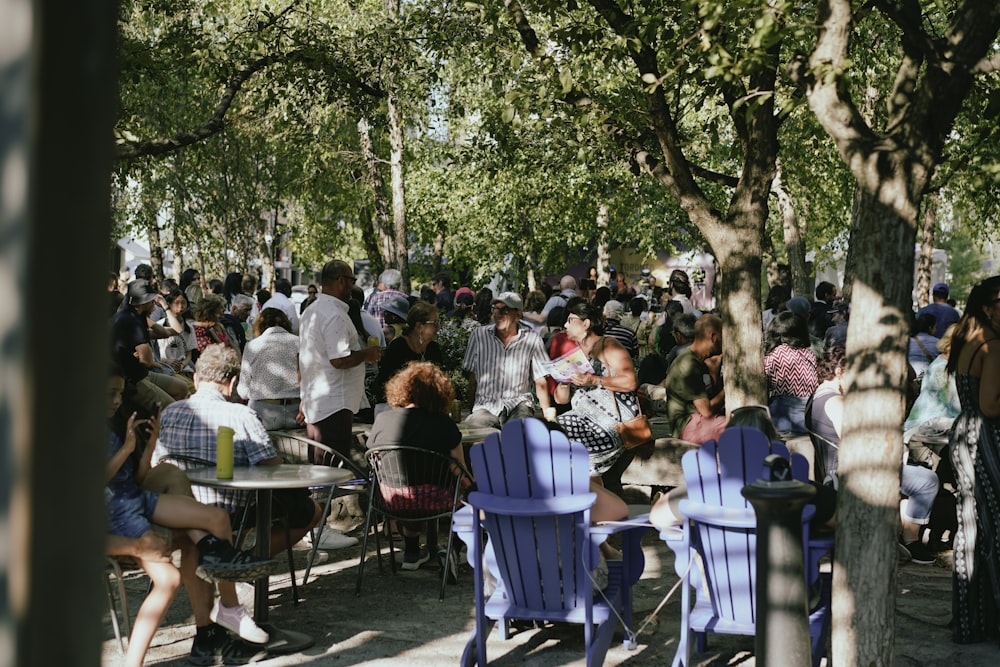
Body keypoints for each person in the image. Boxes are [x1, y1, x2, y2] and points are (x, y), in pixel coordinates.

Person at [106, 368, 276, 666]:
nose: (117, 400)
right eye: (111, 393)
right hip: (118, 513)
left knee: (216, 519)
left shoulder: (114, 424)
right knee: (177, 568)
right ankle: (215, 622)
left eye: (120, 393)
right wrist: (128, 450)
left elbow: (137, 477)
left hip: (136, 498)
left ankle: (226, 611)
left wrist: (147, 448)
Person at [153, 344, 324, 557]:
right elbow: (272, 468)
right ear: (232, 383)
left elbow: (158, 463)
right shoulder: (241, 416)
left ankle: (234, 558)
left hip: (181, 508)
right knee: (309, 510)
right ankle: (249, 560)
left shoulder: (170, 413)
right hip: (229, 511)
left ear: (196, 380)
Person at [808, 345, 939, 565]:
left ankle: (902, 534)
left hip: (839, 469)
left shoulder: (816, 396)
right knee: (927, 481)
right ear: (840, 371)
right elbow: (854, 442)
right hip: (854, 472)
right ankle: (911, 541)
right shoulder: (836, 402)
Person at [366, 362, 472, 570]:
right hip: (435, 500)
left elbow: (373, 456)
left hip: (390, 500)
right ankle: (452, 549)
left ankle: (412, 552)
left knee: (407, 487)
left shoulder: (383, 419)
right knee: (471, 496)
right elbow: (459, 470)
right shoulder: (444, 424)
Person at [946, 276, 1000, 644]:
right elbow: (990, 404)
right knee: (993, 530)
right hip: (985, 440)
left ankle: (969, 621)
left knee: (971, 529)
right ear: (988, 306)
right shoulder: (993, 345)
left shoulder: (969, 338)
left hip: (963, 434)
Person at [553, 301, 641, 497]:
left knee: (560, 429)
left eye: (570, 320)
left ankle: (594, 500)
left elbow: (630, 381)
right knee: (553, 429)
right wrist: (565, 382)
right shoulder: (574, 355)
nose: (565, 325)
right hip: (583, 418)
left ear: (586, 324)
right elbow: (560, 400)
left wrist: (593, 379)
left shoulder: (608, 345)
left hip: (611, 422)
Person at [299, 260, 381, 459]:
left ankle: (321, 491)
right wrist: (367, 354)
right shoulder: (334, 314)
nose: (352, 286)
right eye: (352, 280)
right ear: (341, 281)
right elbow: (339, 360)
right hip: (334, 403)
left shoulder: (312, 310)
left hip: (319, 400)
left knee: (322, 468)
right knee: (331, 470)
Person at [462, 292, 553, 428]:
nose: (498, 314)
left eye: (504, 310)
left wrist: (548, 417)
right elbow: (472, 378)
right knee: (474, 429)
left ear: (518, 315)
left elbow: (540, 381)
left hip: (518, 404)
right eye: (495, 309)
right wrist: (471, 408)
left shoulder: (532, 339)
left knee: (518, 433)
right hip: (486, 406)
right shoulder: (479, 336)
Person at [111, 279, 189, 414]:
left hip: (144, 374)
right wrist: (151, 359)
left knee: (182, 388)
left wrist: (161, 310)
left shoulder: (136, 317)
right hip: (134, 379)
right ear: (143, 302)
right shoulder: (131, 320)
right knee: (173, 408)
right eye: (152, 300)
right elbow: (146, 360)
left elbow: (174, 331)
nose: (155, 303)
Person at [661, 314, 725, 443]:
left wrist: (714, 374)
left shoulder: (700, 360)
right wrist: (729, 390)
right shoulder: (688, 364)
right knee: (739, 428)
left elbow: (710, 397)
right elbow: (706, 411)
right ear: (713, 337)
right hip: (688, 425)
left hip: (699, 420)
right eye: (722, 337)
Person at [372, 301, 444, 413]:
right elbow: (386, 384)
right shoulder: (398, 347)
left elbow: (440, 382)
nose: (438, 327)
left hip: (425, 408)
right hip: (394, 408)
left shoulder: (433, 348)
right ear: (419, 326)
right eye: (434, 323)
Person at [237, 308, 300, 430]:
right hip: (297, 412)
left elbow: (243, 391)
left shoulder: (252, 346)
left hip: (264, 414)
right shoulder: (300, 342)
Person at [764, 311, 818, 434]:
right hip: (808, 413)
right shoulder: (808, 353)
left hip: (783, 414)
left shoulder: (777, 353)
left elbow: (763, 379)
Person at [156, 289, 196, 377]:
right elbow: (155, 354)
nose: (180, 306)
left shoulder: (189, 328)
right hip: (164, 366)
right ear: (169, 304)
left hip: (183, 367)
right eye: (176, 303)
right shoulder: (159, 325)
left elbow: (189, 354)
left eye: (183, 303)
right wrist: (167, 361)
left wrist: (182, 365)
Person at [191, 294, 238, 359]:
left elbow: (232, 345)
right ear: (210, 312)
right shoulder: (199, 331)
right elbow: (208, 354)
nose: (224, 310)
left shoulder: (219, 326)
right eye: (221, 308)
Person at [907, 312, 940, 379]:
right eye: (935, 327)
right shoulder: (938, 343)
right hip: (927, 378)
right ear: (930, 328)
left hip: (909, 377)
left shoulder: (907, 341)